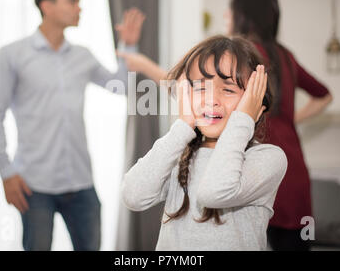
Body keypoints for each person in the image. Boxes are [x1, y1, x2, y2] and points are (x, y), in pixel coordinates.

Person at [0, 0, 158, 251]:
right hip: (34, 184)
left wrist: (128, 45)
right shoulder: (11, 55)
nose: (80, 8)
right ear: (47, 6)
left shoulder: (82, 55)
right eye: (73, 1)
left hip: (81, 184)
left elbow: (122, 86)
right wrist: (6, 172)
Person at [121, 35, 287, 250]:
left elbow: (215, 192)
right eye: (200, 88)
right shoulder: (178, 154)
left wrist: (243, 119)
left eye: (228, 89)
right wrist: (183, 125)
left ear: (254, 104)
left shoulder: (267, 158)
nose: (211, 99)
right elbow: (133, 195)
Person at [225, 0, 333, 251]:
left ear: (243, 14)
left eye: (230, 9)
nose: (225, 15)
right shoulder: (286, 56)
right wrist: (290, 119)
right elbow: (325, 95)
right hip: (293, 171)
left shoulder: (240, 55)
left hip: (259, 172)